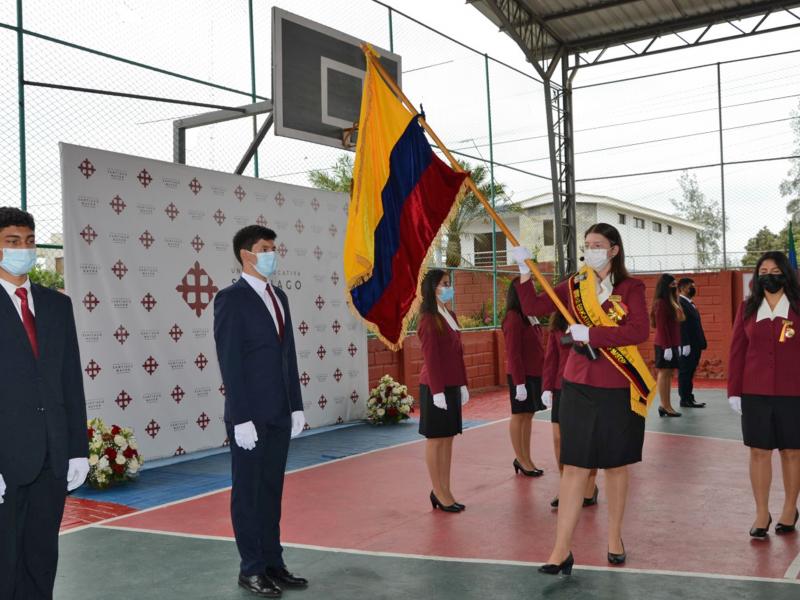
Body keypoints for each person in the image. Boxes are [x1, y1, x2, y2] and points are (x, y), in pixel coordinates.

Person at [509, 223, 653, 575]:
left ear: (614, 249)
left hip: (619, 385)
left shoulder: (632, 288)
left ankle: (615, 538)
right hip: (577, 384)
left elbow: (638, 331)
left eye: (598, 244)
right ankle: (560, 550)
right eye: (587, 245)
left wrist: (591, 332)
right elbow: (534, 304)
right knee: (573, 466)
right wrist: (525, 272)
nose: (591, 250)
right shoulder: (574, 285)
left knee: (616, 466)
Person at [213, 225, 308, 597]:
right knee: (248, 494)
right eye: (265, 248)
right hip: (249, 418)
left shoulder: (279, 296)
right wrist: (240, 417)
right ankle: (250, 568)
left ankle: (273, 562)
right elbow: (229, 362)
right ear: (246, 255)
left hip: (279, 413)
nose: (272, 254)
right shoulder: (231, 299)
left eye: (274, 247)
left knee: (271, 491)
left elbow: (289, 356)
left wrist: (296, 406)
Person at [0, 207, 89, 600]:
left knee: (41, 559)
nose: (24, 249)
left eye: (30, 241)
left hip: (51, 460)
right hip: (6, 463)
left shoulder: (57, 306)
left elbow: (71, 382)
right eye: (12, 242)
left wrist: (77, 450)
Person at [728, 251, 800, 539]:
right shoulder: (747, 307)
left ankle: (789, 509)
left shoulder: (797, 306)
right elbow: (737, 351)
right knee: (758, 452)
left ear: (785, 273)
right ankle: (761, 512)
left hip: (793, 391)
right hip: (754, 392)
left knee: (792, 452)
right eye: (763, 271)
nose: (768, 275)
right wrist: (734, 390)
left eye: (774, 270)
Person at [417, 269, 469, 513]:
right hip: (434, 387)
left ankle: (446, 489)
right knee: (436, 440)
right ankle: (437, 490)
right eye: (444, 284)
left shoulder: (450, 315)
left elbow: (457, 354)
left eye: (449, 283)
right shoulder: (428, 319)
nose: (449, 288)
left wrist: (463, 384)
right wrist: (437, 391)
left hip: (451, 385)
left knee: (447, 439)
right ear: (432, 289)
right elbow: (432, 358)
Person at [542, 311, 599, 509]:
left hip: (586, 386)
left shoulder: (592, 317)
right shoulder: (557, 325)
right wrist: (547, 387)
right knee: (559, 439)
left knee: (588, 439)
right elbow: (551, 358)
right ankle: (566, 485)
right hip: (561, 387)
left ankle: (590, 486)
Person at [502, 277, 546, 477]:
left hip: (534, 374)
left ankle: (526, 457)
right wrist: (519, 383)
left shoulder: (530, 316)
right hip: (521, 375)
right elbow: (514, 353)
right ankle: (520, 458)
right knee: (519, 416)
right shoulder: (513, 317)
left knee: (528, 415)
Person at [650, 274, 685, 417]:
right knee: (664, 374)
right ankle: (665, 406)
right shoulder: (661, 303)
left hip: (672, 344)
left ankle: (667, 405)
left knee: (669, 374)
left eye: (675, 283)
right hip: (664, 345)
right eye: (672, 284)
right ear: (665, 286)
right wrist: (667, 347)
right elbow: (661, 327)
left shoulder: (672, 301)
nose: (675, 286)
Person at [677, 277, 707, 408]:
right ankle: (684, 399)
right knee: (685, 372)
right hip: (688, 345)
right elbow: (681, 325)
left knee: (690, 372)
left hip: (695, 344)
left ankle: (689, 397)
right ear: (683, 288)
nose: (693, 289)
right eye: (691, 286)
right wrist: (685, 344)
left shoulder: (690, 303)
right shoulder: (680, 303)